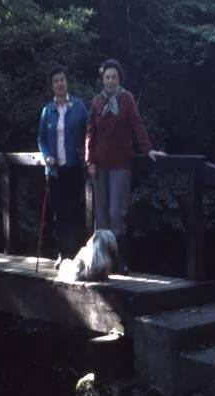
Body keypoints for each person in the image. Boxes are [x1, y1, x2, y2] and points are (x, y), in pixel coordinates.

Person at [85, 59, 165, 272]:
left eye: (114, 77)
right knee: (100, 217)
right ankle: (99, 263)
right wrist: (89, 161)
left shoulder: (127, 99)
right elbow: (90, 134)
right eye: (107, 77)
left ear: (119, 79)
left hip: (121, 164)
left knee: (116, 213)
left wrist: (148, 149)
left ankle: (118, 261)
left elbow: (137, 124)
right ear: (102, 80)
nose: (111, 80)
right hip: (99, 166)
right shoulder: (96, 102)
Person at [37, 65, 89, 268]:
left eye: (62, 80)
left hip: (74, 167)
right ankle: (61, 254)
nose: (60, 83)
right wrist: (47, 156)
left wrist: (85, 154)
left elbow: (89, 132)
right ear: (52, 86)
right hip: (55, 170)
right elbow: (41, 139)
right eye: (56, 81)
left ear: (67, 82)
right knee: (58, 213)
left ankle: (76, 256)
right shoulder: (46, 111)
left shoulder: (78, 106)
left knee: (74, 212)